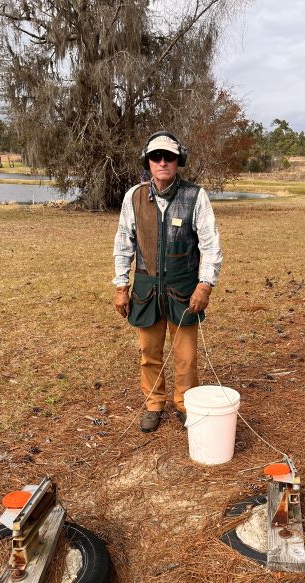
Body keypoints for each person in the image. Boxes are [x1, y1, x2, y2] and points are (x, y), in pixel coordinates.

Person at [113, 131, 223, 433]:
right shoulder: (133, 197)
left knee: (186, 358)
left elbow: (211, 244)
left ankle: (186, 404)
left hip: (184, 290)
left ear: (179, 161)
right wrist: (121, 286)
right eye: (156, 157)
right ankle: (153, 404)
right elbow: (124, 243)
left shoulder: (195, 196)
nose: (162, 162)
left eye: (169, 157)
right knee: (149, 353)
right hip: (146, 290)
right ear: (147, 161)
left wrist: (205, 285)